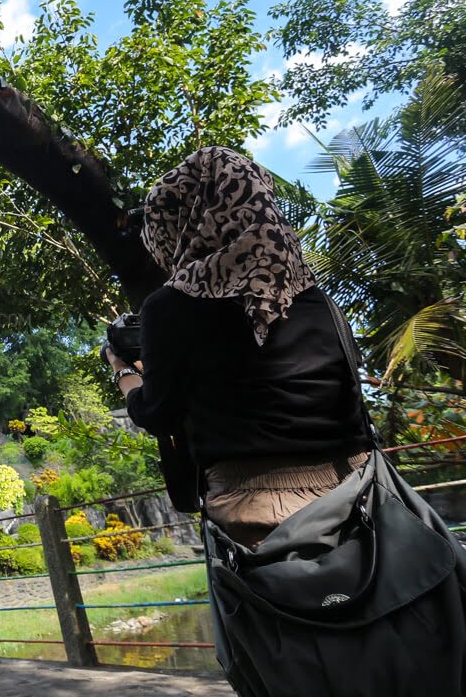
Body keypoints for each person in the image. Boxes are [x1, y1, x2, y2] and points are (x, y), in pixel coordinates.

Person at [104, 146, 371, 548]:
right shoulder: (317, 299)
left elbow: (158, 414)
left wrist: (123, 372)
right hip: (361, 498)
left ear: (185, 223)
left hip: (257, 516)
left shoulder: (172, 306)